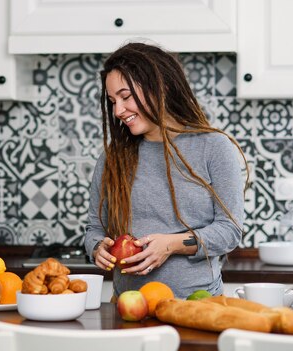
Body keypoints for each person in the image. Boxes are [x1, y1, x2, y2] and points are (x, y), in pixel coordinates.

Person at [84, 42, 248, 299]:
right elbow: (95, 228)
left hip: (198, 304)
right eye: (113, 101)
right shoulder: (112, 158)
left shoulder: (213, 147)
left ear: (160, 87)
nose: (117, 111)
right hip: (127, 306)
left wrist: (171, 245)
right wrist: (97, 247)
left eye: (126, 97)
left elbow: (229, 231)